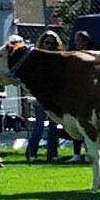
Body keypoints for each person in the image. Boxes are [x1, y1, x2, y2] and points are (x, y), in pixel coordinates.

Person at [23, 31, 68, 163]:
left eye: (52, 44)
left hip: (54, 96)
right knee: (40, 123)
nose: (49, 46)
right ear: (42, 43)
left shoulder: (58, 58)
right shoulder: (34, 58)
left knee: (54, 124)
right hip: (40, 96)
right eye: (47, 43)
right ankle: (31, 153)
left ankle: (52, 153)